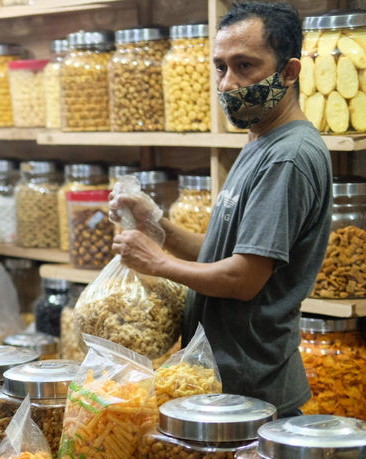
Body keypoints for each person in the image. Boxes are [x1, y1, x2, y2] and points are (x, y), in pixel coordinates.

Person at [112, 1, 332, 416]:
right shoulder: (260, 141)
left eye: (245, 66)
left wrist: (156, 262)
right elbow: (223, 253)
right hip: (221, 379)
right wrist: (157, 226)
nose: (229, 83)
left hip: (252, 389)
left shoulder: (288, 157)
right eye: (220, 67)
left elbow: (242, 278)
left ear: (289, 72)